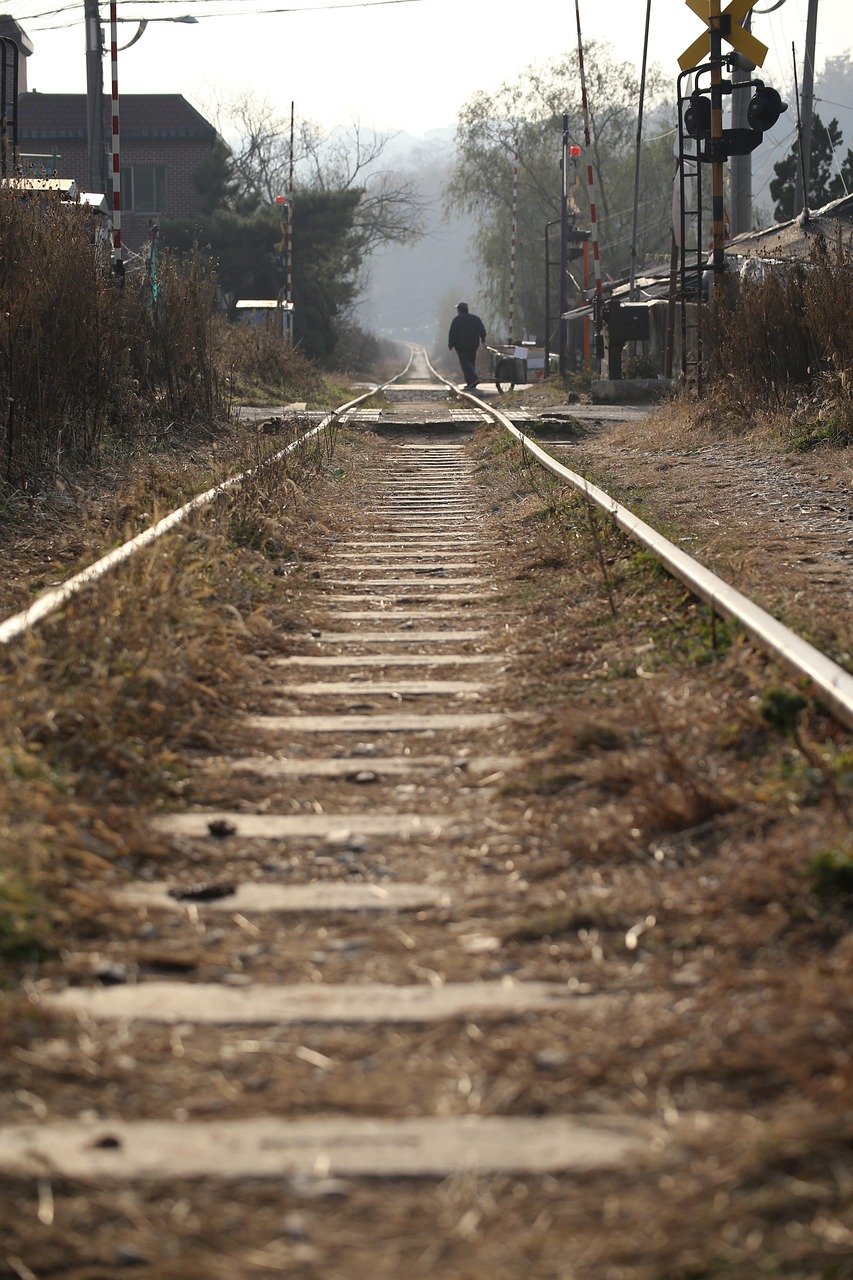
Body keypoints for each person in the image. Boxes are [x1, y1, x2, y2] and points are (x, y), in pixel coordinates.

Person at [448, 301, 486, 390]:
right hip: (473, 345)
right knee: (471, 362)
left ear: (459, 310)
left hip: (461, 346)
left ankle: (474, 379)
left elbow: (452, 333)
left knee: (465, 363)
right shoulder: (475, 319)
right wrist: (483, 339)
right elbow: (482, 330)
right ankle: (470, 383)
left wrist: (451, 344)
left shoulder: (456, 320)